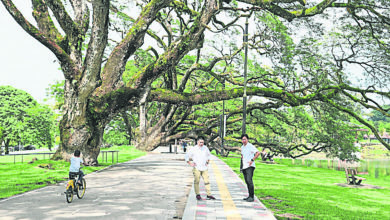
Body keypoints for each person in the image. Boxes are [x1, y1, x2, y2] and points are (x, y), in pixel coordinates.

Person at [240, 134, 260, 202]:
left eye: (245, 139)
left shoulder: (250, 146)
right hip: (244, 166)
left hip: (250, 166)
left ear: (247, 139)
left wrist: (252, 160)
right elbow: (242, 156)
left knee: (249, 180)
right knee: (247, 181)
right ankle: (249, 196)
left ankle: (252, 196)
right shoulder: (242, 147)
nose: (244, 141)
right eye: (242, 139)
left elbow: (258, 152)